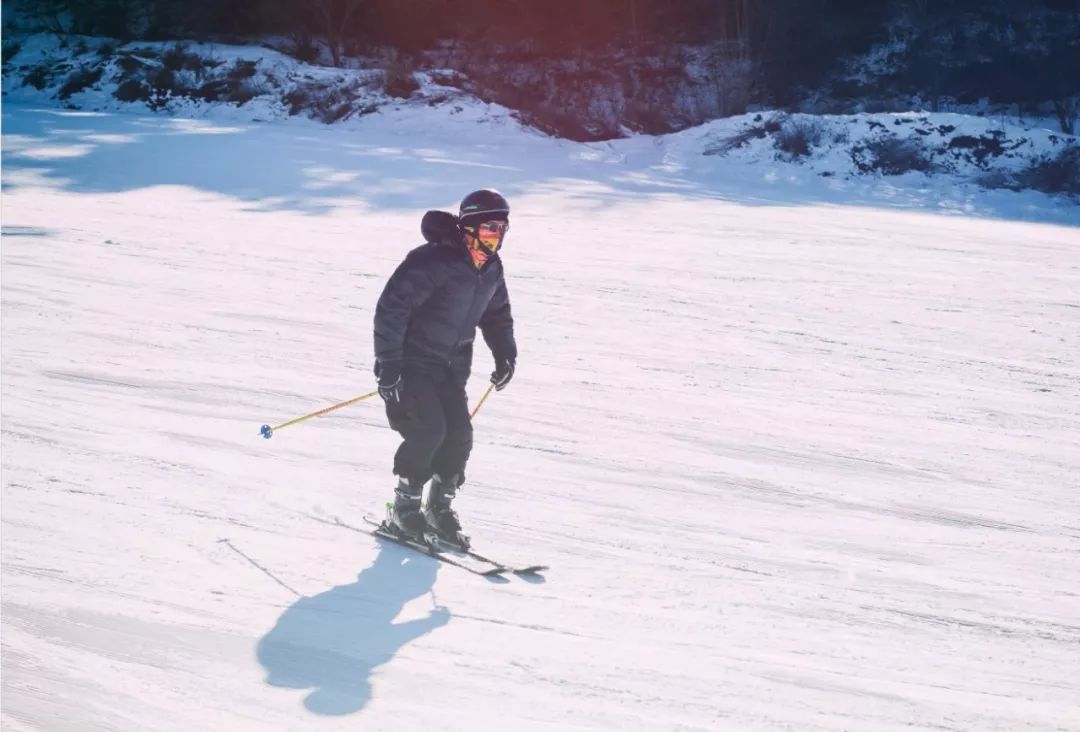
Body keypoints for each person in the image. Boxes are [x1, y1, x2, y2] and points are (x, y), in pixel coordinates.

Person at [373, 189, 517, 546]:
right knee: (428, 431)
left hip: (451, 369)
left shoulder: (491, 269)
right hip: (412, 365)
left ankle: (438, 509)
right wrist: (389, 365)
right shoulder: (430, 262)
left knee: (459, 437)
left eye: (502, 229)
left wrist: (505, 353)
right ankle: (403, 510)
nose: (496, 236)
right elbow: (391, 310)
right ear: (468, 229)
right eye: (488, 229)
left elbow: (497, 316)